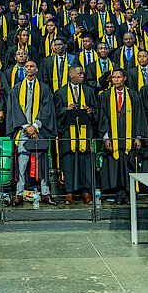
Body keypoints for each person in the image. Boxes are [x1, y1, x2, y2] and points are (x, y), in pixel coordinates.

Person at [6, 60, 56, 207]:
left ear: (36, 69)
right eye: (27, 66)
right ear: (25, 70)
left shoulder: (44, 89)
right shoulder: (16, 89)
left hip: (39, 131)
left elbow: (46, 109)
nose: (29, 68)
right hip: (23, 131)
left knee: (43, 163)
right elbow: (15, 109)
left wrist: (35, 126)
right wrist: (27, 127)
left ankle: (45, 192)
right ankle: (19, 193)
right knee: (22, 163)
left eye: (32, 66)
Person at [99, 68, 145, 205]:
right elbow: (102, 117)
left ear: (124, 78)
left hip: (129, 139)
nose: (116, 80)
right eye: (114, 77)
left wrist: (138, 137)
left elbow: (139, 116)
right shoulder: (105, 96)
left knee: (128, 166)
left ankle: (129, 194)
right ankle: (119, 194)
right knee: (116, 168)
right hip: (113, 138)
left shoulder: (133, 95)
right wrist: (106, 137)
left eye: (119, 77)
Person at [54, 65, 97, 205]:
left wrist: (90, 111)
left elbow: (96, 109)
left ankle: (85, 192)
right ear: (71, 75)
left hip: (84, 132)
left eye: (82, 73)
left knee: (85, 162)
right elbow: (56, 112)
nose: (82, 76)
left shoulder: (89, 91)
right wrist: (65, 109)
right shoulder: (60, 92)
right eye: (80, 74)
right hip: (68, 133)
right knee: (69, 163)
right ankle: (69, 192)